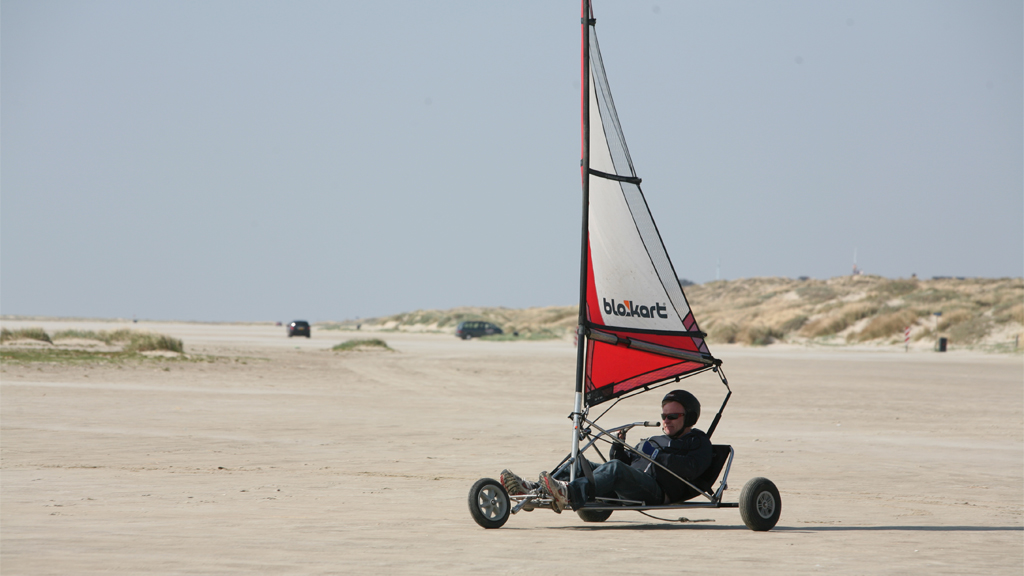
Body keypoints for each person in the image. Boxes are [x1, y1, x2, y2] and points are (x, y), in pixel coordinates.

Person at [501, 389, 713, 513]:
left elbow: (691, 469)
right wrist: (619, 446)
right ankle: (532, 490)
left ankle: (568, 493)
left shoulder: (698, 441)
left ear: (690, 417)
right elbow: (623, 462)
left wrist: (657, 455)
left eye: (672, 417)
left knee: (615, 469)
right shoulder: (656, 439)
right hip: (630, 482)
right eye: (664, 416)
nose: (666, 421)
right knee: (577, 462)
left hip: (656, 491)